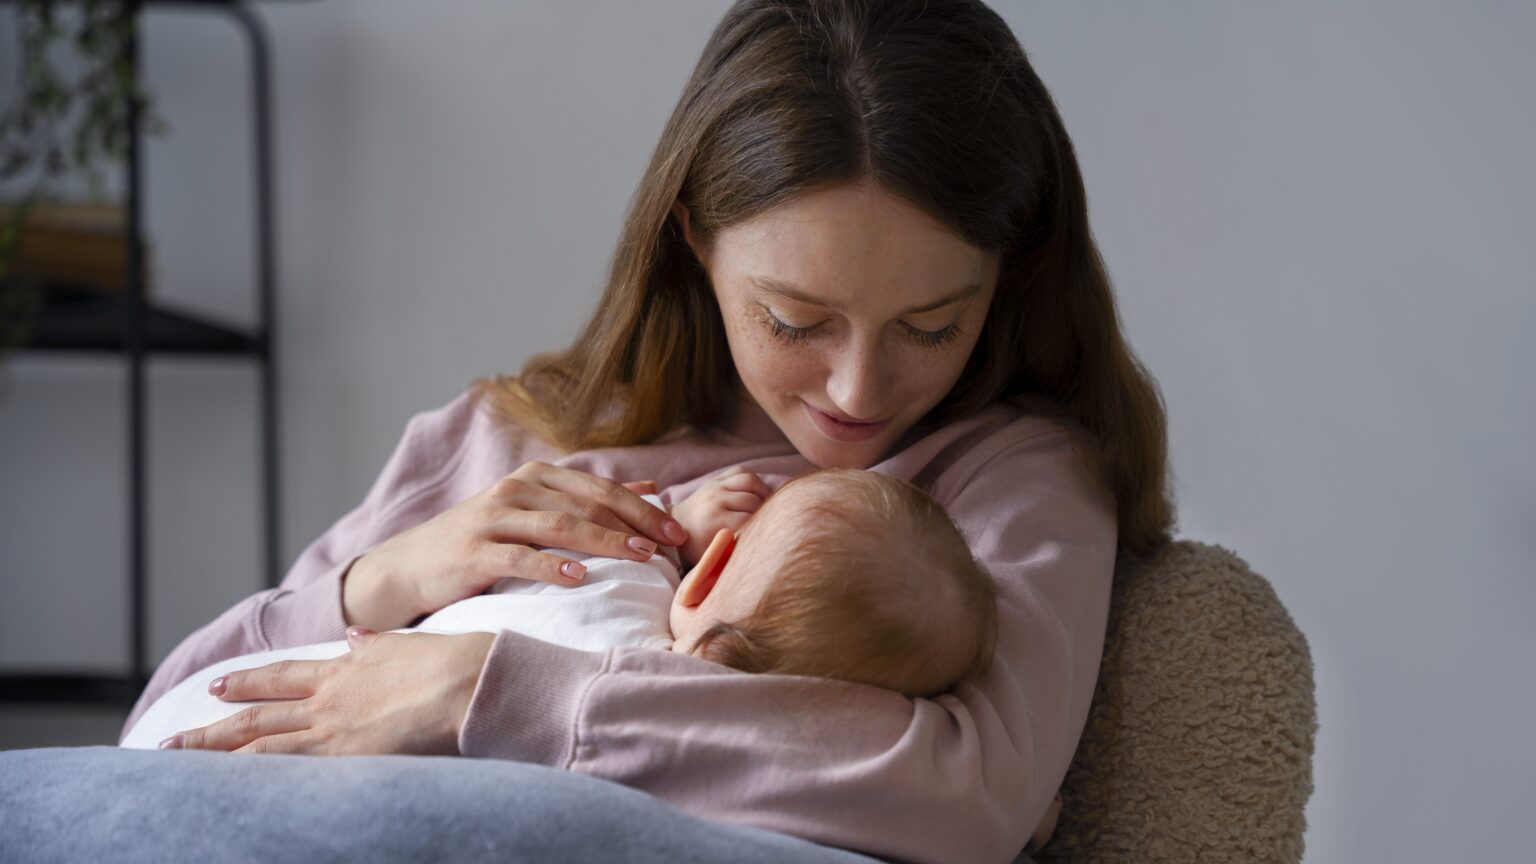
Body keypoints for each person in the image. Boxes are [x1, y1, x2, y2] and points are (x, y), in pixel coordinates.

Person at [121, 1, 1176, 862]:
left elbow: (972, 792)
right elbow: (163, 725)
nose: (860, 388)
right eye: (795, 320)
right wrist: (380, 583)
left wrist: (485, 694)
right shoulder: (499, 442)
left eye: (932, 324)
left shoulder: (1007, 479)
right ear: (694, 242)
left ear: (1010, 278)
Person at [120, 468, 997, 749]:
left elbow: (625, 549)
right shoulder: (675, 728)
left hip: (209, 712)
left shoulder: (616, 571)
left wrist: (679, 521)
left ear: (710, 565)